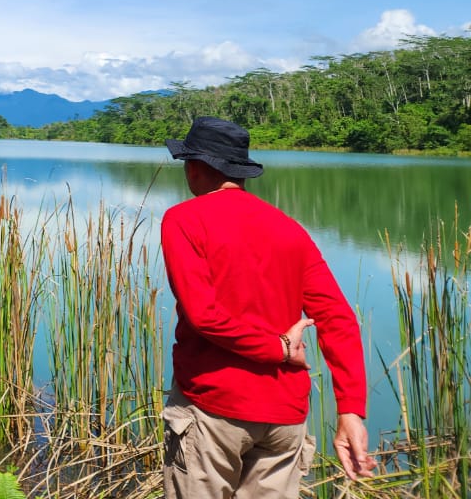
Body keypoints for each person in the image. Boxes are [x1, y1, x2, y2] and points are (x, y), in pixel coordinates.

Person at [160, 116, 376, 498]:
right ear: (240, 173)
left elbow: (204, 315)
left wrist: (275, 347)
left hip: (214, 409)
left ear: (194, 168)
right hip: (284, 418)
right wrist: (350, 410)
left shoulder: (184, 220)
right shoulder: (289, 229)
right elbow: (337, 318)